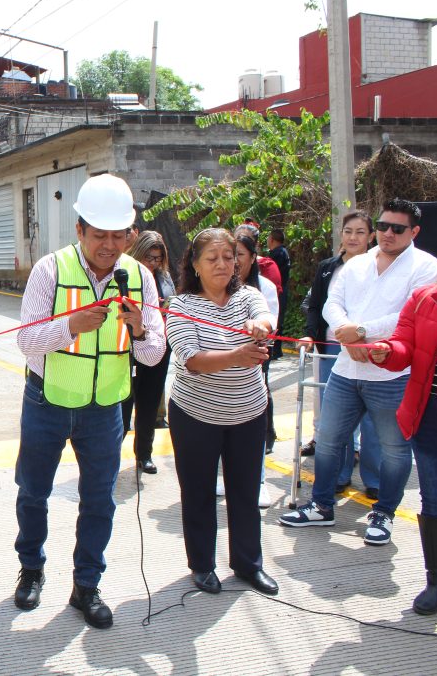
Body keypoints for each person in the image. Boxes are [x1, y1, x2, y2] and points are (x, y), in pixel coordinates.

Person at [13, 174, 165, 629]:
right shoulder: (51, 270)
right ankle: (31, 571)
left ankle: (86, 585)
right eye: (100, 235)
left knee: (99, 499)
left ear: (130, 234)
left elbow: (154, 353)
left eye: (119, 236)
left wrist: (139, 328)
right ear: (80, 230)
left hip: (106, 409)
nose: (109, 245)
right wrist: (70, 327)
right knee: (33, 493)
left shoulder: (140, 279)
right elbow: (25, 339)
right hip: (47, 401)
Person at [280, 199, 437, 546]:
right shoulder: (357, 264)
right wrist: (345, 331)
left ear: (414, 232)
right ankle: (321, 505)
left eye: (396, 229)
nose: (386, 234)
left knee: (394, 450)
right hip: (346, 368)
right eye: (382, 226)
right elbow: (331, 303)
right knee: (327, 440)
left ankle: (383, 513)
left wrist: (362, 331)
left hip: (392, 376)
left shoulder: (427, 267)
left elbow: (408, 315)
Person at [166, 227, 279, 596]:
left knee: (244, 493)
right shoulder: (181, 306)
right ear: (195, 265)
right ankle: (202, 565)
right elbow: (194, 360)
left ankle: (248, 564)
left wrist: (259, 327)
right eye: (211, 258)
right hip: (195, 414)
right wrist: (238, 356)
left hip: (248, 412)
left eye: (229, 257)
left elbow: (265, 319)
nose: (222, 265)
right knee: (197, 492)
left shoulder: (249, 296)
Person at [369, 273, 437, 614]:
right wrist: (387, 352)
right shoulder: (425, 298)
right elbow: (404, 346)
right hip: (431, 417)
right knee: (434, 499)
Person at [298, 211, 380, 498]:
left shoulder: (380, 267)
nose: (353, 237)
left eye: (360, 232)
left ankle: (374, 479)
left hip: (368, 348)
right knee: (337, 416)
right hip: (332, 348)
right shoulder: (327, 267)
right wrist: (310, 334)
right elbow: (316, 305)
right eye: (348, 231)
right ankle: (341, 474)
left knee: (372, 418)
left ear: (371, 236)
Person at [120, 230, 174, 475]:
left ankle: (144, 454)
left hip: (156, 346)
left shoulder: (165, 279)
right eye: (148, 257)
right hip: (126, 348)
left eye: (157, 258)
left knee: (149, 403)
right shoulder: (126, 275)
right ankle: (111, 451)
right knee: (123, 403)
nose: (153, 263)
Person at [234, 227, 279, 468]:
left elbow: (269, 322)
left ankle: (258, 479)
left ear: (253, 258)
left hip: (254, 362)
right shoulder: (218, 286)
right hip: (224, 367)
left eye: (240, 254)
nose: (234, 261)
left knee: (253, 422)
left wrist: (259, 327)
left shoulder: (265, 288)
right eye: (231, 254)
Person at [267, 229, 291, 359]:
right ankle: (276, 349)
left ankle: (274, 350)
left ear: (272, 240)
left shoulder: (278, 253)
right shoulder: (282, 252)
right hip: (281, 290)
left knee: (275, 320)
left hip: (277, 291)